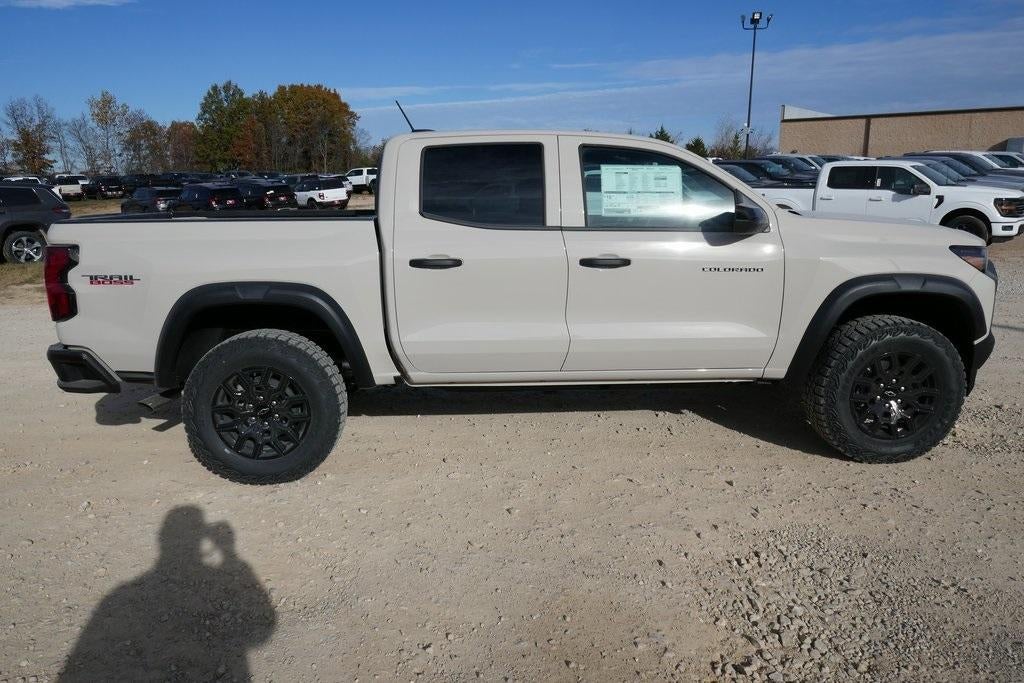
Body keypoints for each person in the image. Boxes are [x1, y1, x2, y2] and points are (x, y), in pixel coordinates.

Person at [60, 506, 276, 681]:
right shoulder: (122, 596)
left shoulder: (118, 596)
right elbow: (261, 632)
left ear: (161, 538)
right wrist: (229, 554)